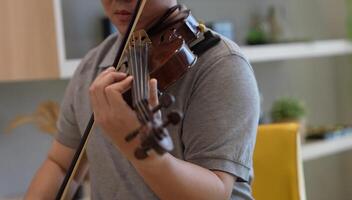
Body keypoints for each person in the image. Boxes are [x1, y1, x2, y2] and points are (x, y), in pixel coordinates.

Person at [25, 0, 260, 199]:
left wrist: (139, 147)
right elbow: (60, 164)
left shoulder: (221, 65)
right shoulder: (93, 64)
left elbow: (216, 192)